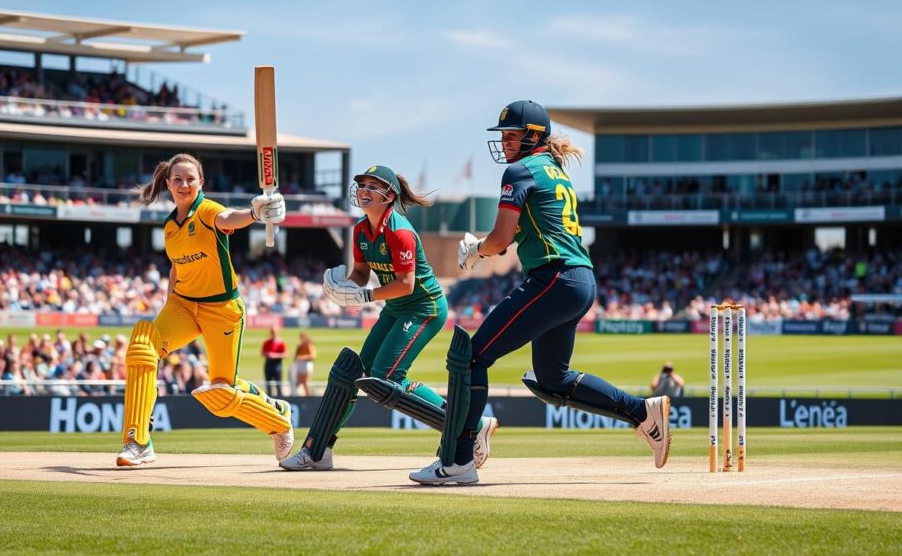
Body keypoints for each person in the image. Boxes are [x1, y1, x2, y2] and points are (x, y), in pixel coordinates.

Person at [410, 101, 672, 485]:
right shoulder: (554, 169)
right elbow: (517, 233)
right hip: (579, 280)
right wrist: (488, 246)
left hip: (554, 279)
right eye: (503, 135)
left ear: (534, 135)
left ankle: (459, 460)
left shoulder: (519, 170)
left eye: (511, 135)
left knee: (472, 358)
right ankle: (641, 412)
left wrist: (476, 250)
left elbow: (501, 238)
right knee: (553, 379)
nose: (504, 141)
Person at [279, 165, 497, 470]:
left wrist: (365, 296)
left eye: (372, 186)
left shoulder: (400, 232)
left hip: (425, 307)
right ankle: (319, 451)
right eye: (362, 185)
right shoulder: (359, 230)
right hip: (396, 308)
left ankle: (468, 430)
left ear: (389, 195)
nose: (363, 191)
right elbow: (360, 273)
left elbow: (406, 285)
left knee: (386, 377)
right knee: (355, 374)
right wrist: (343, 286)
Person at [116, 153, 294, 467]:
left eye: (190, 179)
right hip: (182, 306)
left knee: (222, 393)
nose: (184, 185)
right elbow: (176, 267)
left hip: (221, 309)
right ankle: (137, 440)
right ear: (169, 185)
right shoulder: (170, 226)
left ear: (201, 183)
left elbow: (229, 219)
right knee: (142, 345)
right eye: (177, 180)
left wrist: (254, 212)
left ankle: (277, 420)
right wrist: (169, 305)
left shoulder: (207, 210)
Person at [260, 326, 287, 397]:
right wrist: (268, 354)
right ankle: (269, 397)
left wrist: (275, 355)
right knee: (268, 383)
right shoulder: (267, 342)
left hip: (277, 364)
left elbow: (285, 354)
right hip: (268, 364)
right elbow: (263, 353)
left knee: (278, 383)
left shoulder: (281, 342)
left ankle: (280, 396)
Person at [290, 332, 316, 396]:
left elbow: (312, 355)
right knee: (298, 382)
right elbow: (296, 356)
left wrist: (301, 358)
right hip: (300, 364)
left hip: (306, 364)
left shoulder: (309, 345)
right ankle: (296, 395)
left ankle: (308, 396)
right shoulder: (299, 346)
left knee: (305, 382)